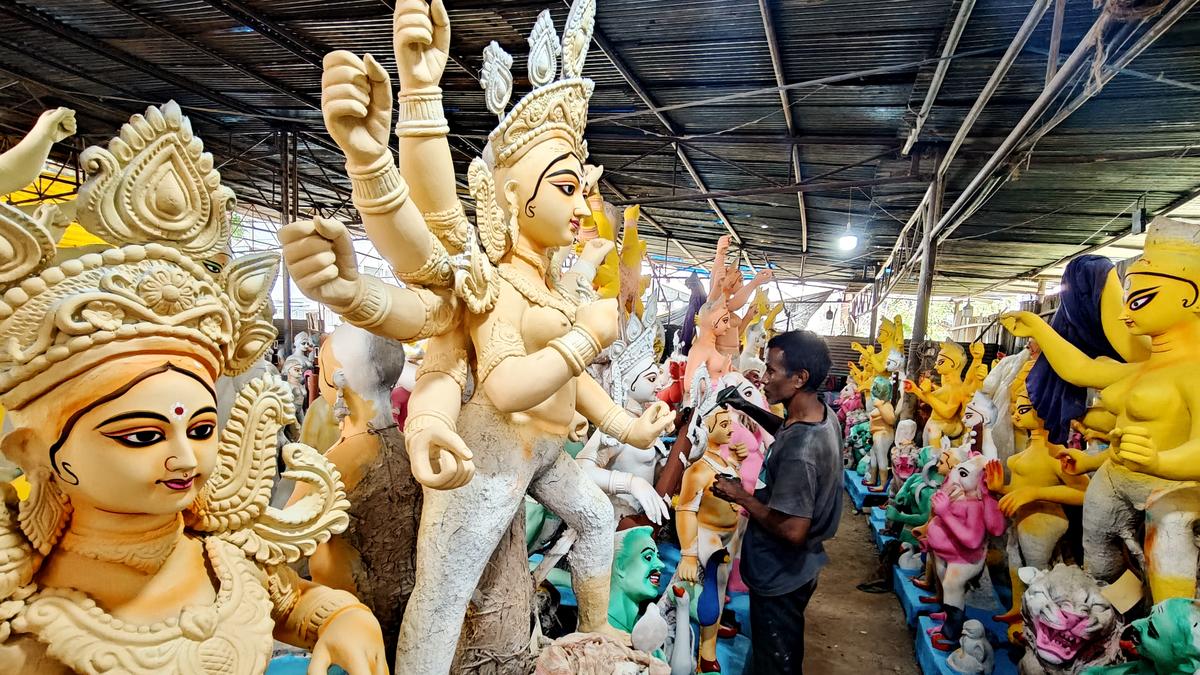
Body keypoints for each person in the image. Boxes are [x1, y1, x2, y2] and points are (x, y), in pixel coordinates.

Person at [712, 330, 842, 674]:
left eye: (771, 371)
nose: (764, 378)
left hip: (781, 574)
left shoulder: (803, 452)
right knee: (767, 652)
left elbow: (793, 530)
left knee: (777, 660)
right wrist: (747, 407)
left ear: (799, 378)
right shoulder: (817, 415)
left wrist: (740, 495)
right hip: (797, 569)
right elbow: (786, 429)